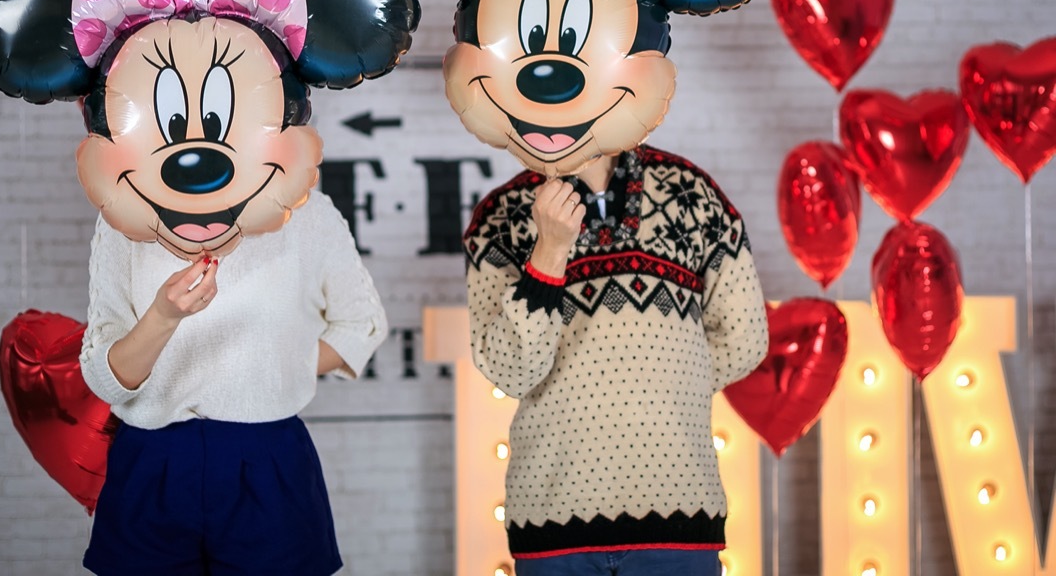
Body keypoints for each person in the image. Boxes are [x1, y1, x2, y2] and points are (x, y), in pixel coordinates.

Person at [463, 145, 769, 575]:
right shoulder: (500, 216)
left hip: (676, 517)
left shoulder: (692, 193)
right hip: (552, 523)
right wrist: (549, 250)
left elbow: (746, 339)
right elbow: (510, 371)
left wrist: (658, 381)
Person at [79, 189, 387, 575]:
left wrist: (265, 366)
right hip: (151, 458)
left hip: (268, 457)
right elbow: (102, 380)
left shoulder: (307, 211)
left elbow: (362, 326)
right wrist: (163, 315)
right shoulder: (126, 211)